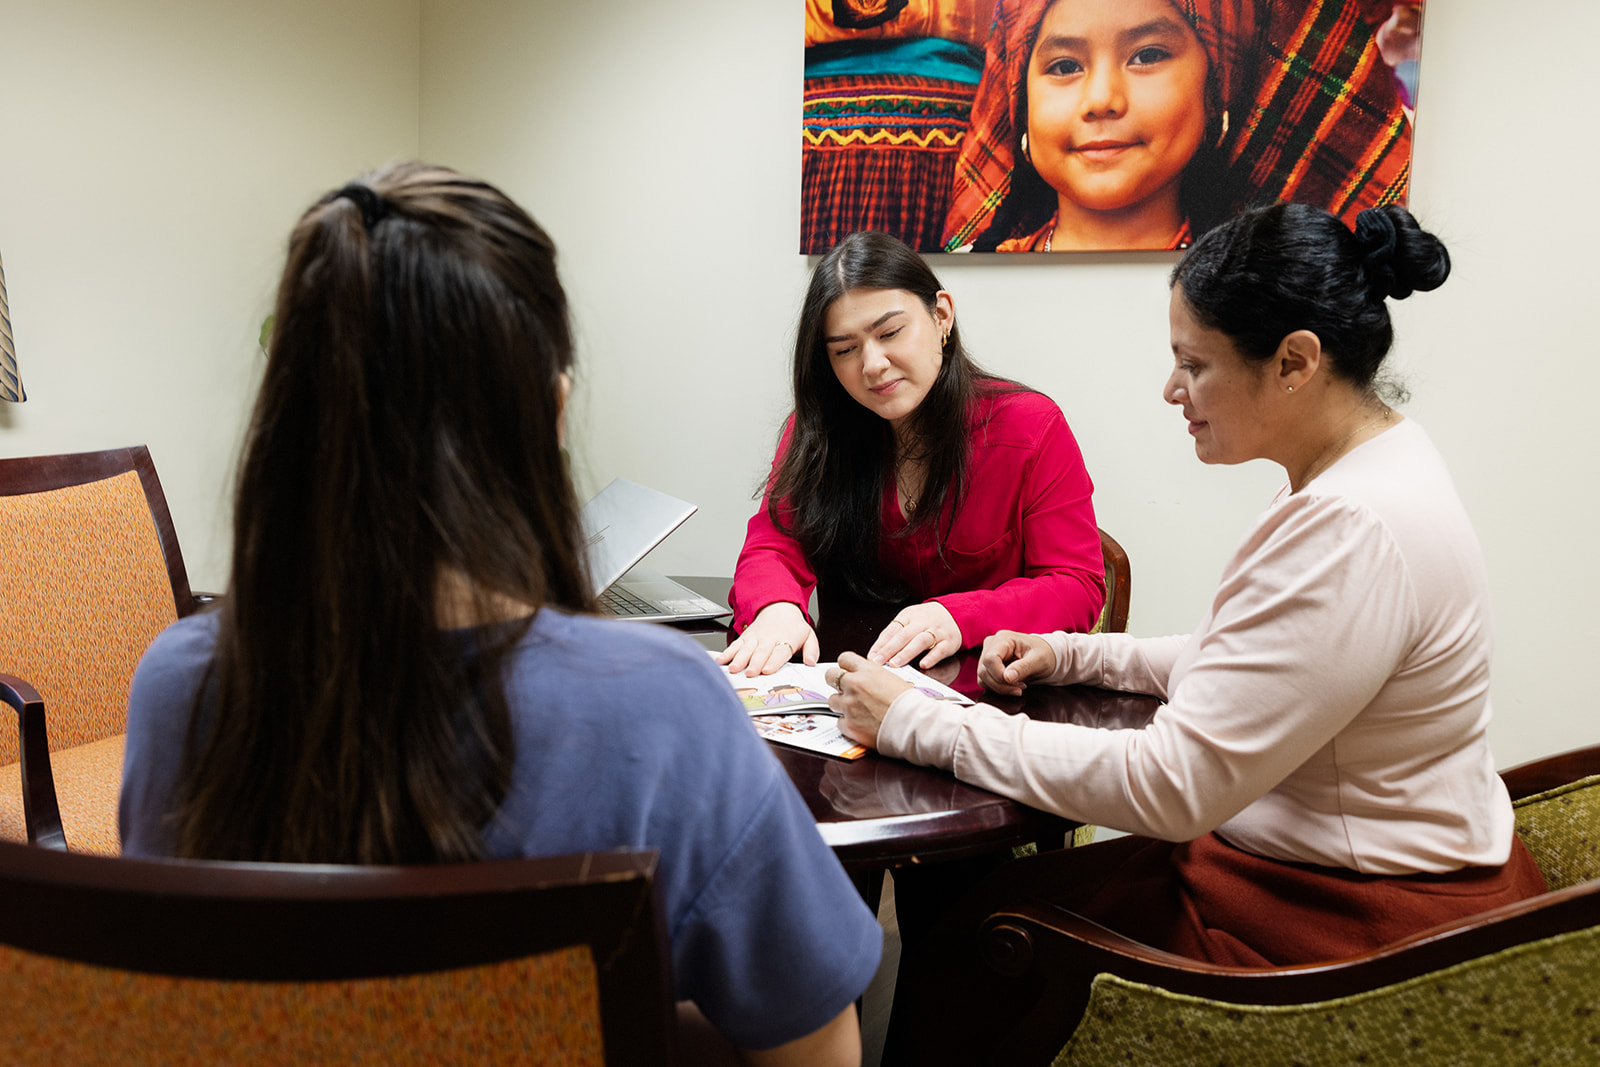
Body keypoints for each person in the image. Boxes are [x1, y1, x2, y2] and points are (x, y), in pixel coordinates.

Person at [117, 163, 880, 1067]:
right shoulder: (665, 710)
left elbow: (192, 1003)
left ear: (294, 414)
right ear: (551, 407)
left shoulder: (179, 682)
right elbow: (816, 1056)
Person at [828, 203, 1546, 980]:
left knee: (972, 940)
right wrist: (1069, 653)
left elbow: (1171, 786)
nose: (1173, 389)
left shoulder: (1352, 527)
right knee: (987, 908)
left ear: (1295, 362)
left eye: (1194, 363)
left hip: (1345, 915)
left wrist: (916, 721)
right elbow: (1244, 661)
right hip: (1322, 861)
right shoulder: (1369, 469)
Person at [717, 230, 1104, 678]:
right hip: (849, 692)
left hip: (987, 704)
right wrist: (776, 605)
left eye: (891, 332)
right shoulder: (816, 432)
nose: (873, 364)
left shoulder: (1031, 427)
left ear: (942, 316)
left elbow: (1076, 586)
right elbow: (775, 542)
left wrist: (962, 616)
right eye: (845, 350)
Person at [943, 0, 1263, 252]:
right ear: (1020, 108)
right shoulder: (965, 288)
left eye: (1147, 56)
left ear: (1215, 95)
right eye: (1065, 66)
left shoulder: (1260, 289)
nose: (1100, 100)